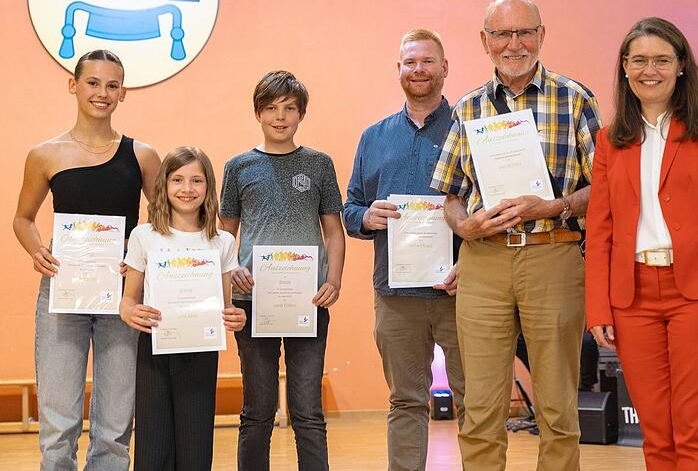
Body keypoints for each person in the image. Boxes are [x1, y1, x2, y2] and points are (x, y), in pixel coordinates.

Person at [430, 0, 601, 471]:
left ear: (542, 36)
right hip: (484, 261)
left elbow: (606, 188)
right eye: (502, 34)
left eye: (524, 32)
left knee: (557, 405)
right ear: (485, 41)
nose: (514, 44)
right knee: (481, 406)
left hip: (555, 253)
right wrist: (465, 224)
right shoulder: (466, 109)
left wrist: (557, 205)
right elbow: (449, 195)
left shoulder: (575, 98)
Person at [586, 17, 698, 471]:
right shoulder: (609, 141)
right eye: (638, 60)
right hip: (633, 299)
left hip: (697, 297)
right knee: (656, 436)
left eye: (661, 59)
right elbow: (600, 232)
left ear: (681, 67)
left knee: (695, 435)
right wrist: (598, 308)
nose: (649, 70)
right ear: (624, 67)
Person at [12, 49, 160, 470]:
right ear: (73, 85)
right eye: (93, 83)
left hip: (122, 297)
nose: (102, 92)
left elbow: (168, 221)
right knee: (58, 425)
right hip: (63, 293)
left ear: (123, 93)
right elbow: (23, 219)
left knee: (114, 426)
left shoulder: (142, 156)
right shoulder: (46, 154)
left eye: (112, 85)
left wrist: (144, 261)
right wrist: (37, 248)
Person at [343, 29, 465, 471]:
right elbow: (351, 206)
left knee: (475, 402)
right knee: (405, 401)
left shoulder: (466, 130)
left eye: (428, 61)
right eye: (410, 62)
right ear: (398, 70)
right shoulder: (374, 137)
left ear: (444, 68)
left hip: (460, 292)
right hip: (395, 296)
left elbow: (488, 206)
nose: (419, 70)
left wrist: (467, 264)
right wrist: (364, 217)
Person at [220, 70, 346, 471]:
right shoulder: (238, 167)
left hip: (308, 300)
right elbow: (225, 235)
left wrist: (334, 280)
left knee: (307, 409)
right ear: (258, 112)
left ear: (301, 113)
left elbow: (334, 231)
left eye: (289, 108)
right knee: (257, 409)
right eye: (271, 108)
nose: (280, 116)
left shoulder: (320, 164)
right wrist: (232, 269)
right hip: (252, 299)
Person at [119, 146, 246, 470]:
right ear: (163, 185)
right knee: (152, 443)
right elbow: (128, 300)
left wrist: (236, 316)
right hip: (154, 347)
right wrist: (130, 312)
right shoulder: (144, 236)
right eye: (177, 180)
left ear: (209, 187)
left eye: (196, 181)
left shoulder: (222, 241)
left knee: (195, 444)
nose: (187, 189)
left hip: (201, 351)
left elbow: (226, 306)